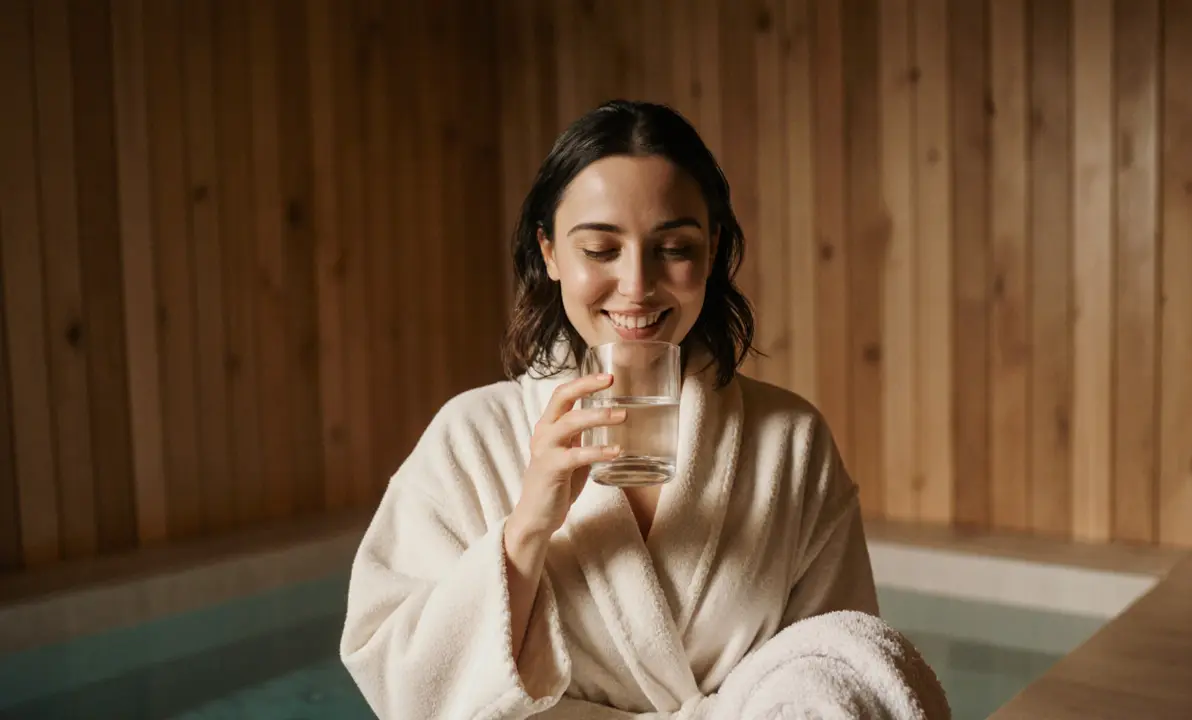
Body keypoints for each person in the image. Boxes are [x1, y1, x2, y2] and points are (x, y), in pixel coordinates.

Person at [339, 100, 880, 719]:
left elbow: (843, 664)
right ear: (549, 252)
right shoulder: (469, 438)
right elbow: (398, 683)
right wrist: (527, 529)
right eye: (600, 250)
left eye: (673, 247)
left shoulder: (791, 441)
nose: (637, 285)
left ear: (711, 251)